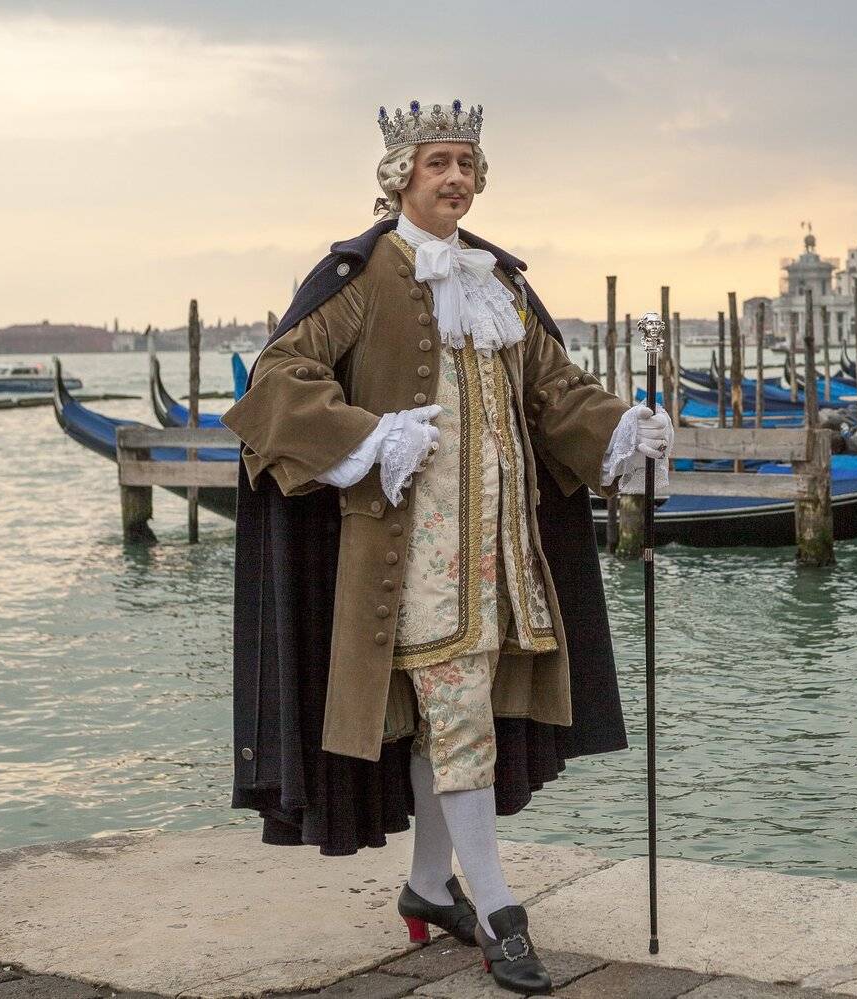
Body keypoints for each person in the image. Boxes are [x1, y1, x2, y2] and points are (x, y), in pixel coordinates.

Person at [220, 98, 673, 995]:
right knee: (458, 710)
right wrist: (370, 437)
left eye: (467, 163)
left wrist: (627, 428)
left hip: (501, 550)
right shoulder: (358, 276)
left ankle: (430, 884)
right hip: (409, 555)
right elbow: (278, 381)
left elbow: (554, 389)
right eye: (438, 163)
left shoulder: (495, 280)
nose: (457, 178)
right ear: (401, 176)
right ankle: (501, 910)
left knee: (457, 717)